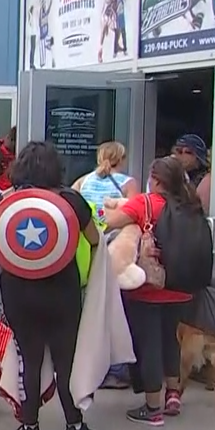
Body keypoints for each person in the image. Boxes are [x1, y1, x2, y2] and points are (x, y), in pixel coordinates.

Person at [0, 141, 100, 430]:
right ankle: (73, 425)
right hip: (61, 289)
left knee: (29, 357)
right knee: (64, 359)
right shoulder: (70, 199)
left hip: (17, 288)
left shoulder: (7, 200)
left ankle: (30, 427)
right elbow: (94, 239)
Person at [102, 157, 198, 425]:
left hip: (148, 287)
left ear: (155, 180)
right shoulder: (190, 205)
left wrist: (105, 205)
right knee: (171, 340)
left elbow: (107, 222)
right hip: (181, 288)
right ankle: (173, 394)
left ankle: (152, 408)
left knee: (149, 345)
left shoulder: (143, 203)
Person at [72, 140, 138, 390]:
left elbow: (72, 208)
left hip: (86, 250)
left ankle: (85, 367)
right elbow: (135, 214)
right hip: (113, 251)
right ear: (121, 159)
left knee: (86, 309)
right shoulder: (127, 183)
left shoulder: (83, 181)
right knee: (112, 311)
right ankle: (115, 370)